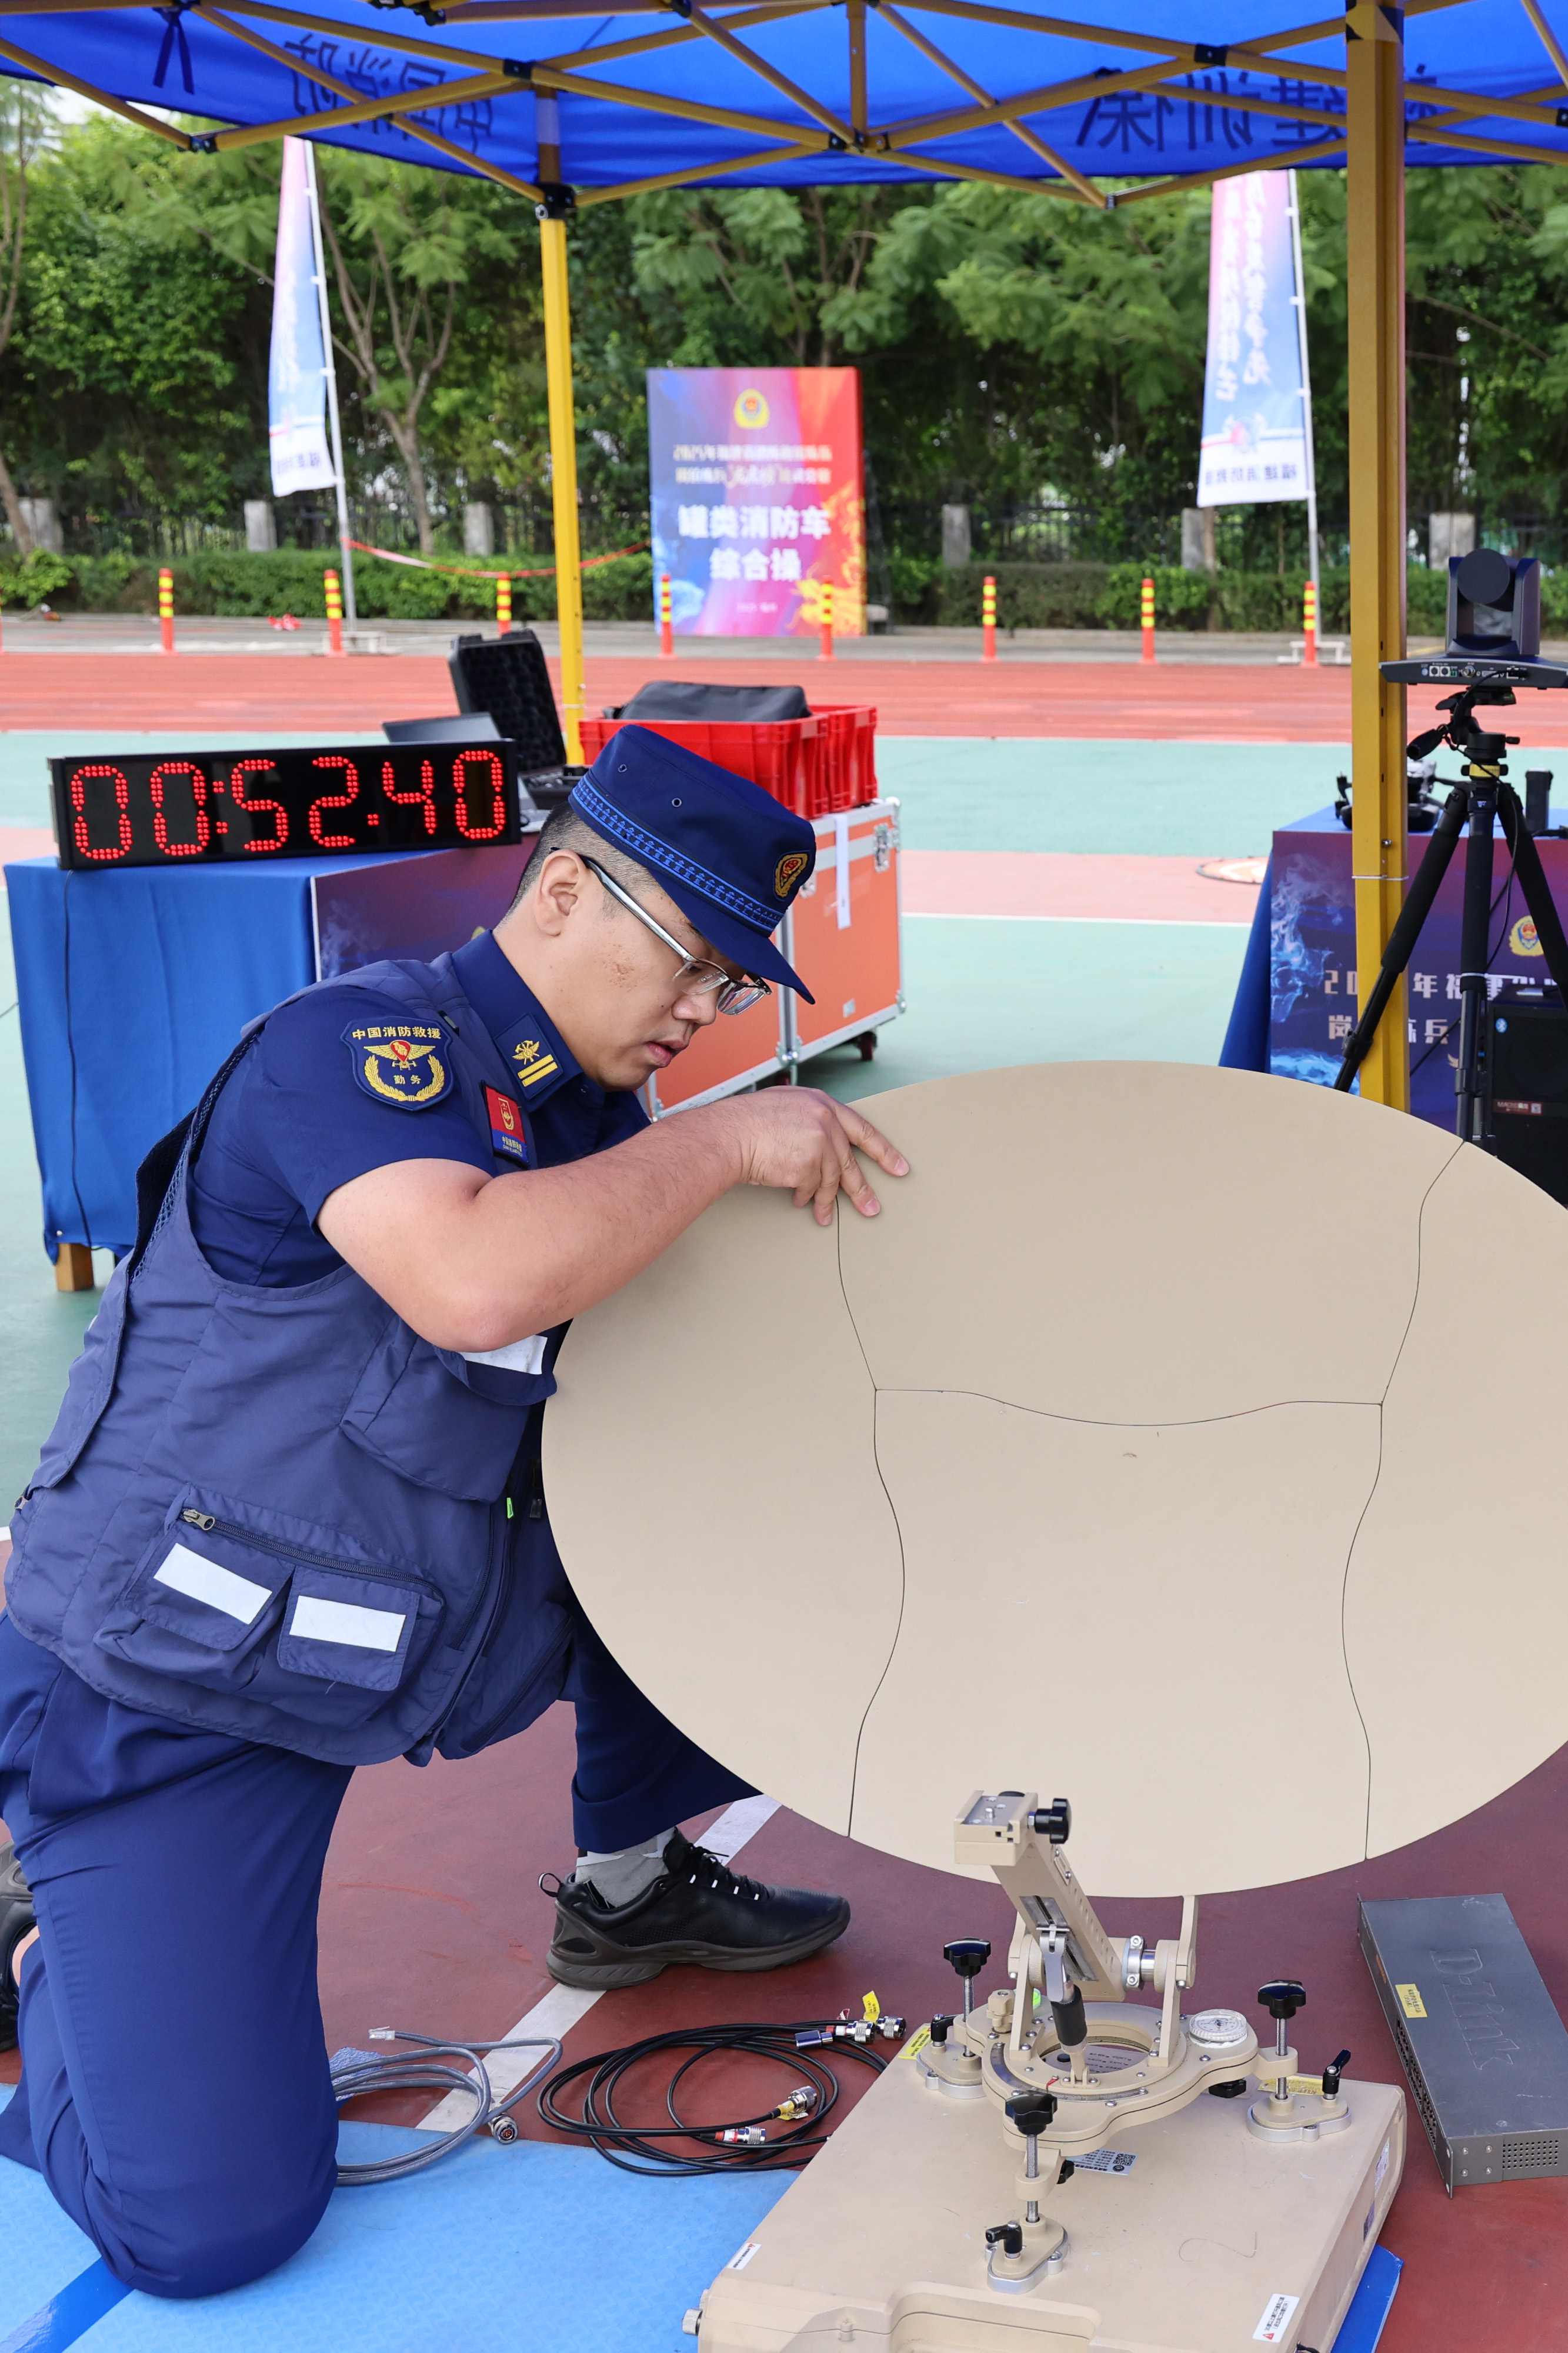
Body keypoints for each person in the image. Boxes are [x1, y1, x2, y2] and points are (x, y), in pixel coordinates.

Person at [0, 726, 908, 2299]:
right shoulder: (355, 1048)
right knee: (210, 2228)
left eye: (733, 983)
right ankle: (44, 1941)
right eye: (693, 961)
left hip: (365, 1643)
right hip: (170, 1689)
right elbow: (472, 1278)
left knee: (719, 1520)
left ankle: (630, 1886)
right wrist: (722, 1138)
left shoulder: (585, 1127)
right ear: (563, 894)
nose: (707, 1009)